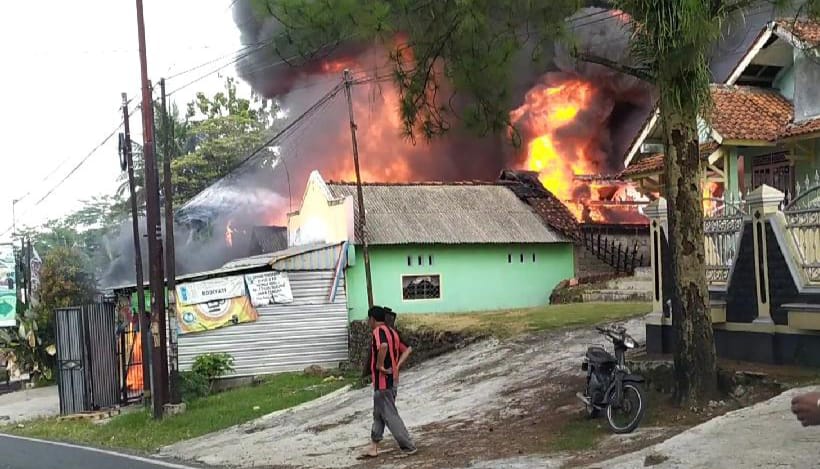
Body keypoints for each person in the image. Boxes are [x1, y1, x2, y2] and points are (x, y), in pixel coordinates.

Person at [364, 306, 416, 458]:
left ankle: (408, 446)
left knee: (390, 415)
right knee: (379, 413)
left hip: (383, 381)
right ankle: (373, 446)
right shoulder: (393, 332)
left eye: (369, 320)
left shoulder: (378, 332)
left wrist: (380, 365)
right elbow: (408, 349)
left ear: (372, 319)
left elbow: (383, 346)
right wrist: (397, 365)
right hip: (393, 380)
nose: (368, 322)